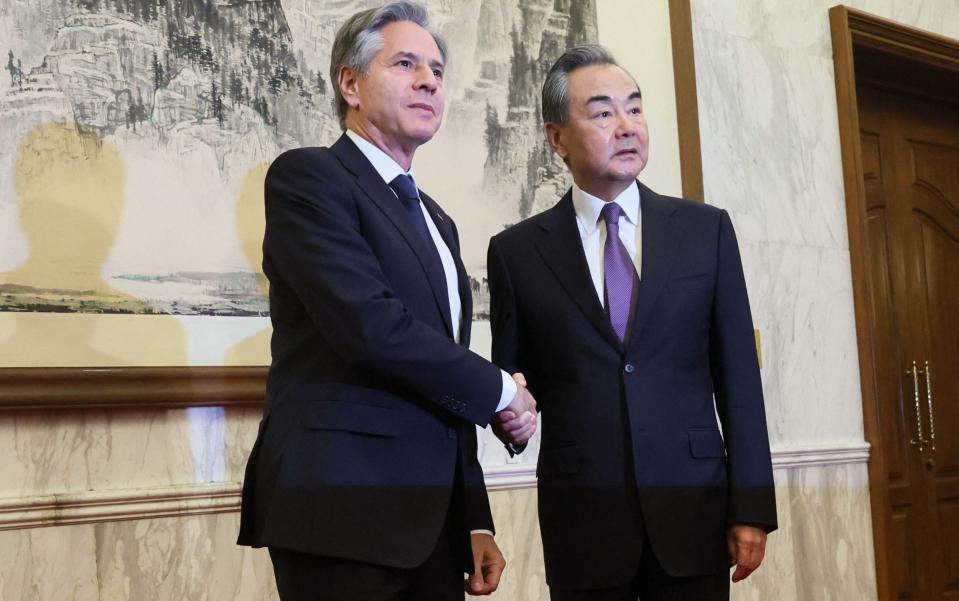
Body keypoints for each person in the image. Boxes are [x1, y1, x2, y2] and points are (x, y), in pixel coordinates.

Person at [237, 3, 536, 599]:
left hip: (432, 527)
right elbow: (372, 326)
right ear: (350, 82)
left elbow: (441, 377)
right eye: (406, 64)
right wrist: (504, 391)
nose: (429, 80)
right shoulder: (309, 178)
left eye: (437, 71)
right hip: (339, 513)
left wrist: (472, 516)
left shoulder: (439, 222)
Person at [487, 45, 777, 601]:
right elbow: (516, 382)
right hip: (584, 523)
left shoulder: (705, 231)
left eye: (635, 109)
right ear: (556, 138)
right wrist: (511, 418)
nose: (626, 127)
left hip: (693, 511)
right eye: (602, 113)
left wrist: (752, 506)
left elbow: (738, 377)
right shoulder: (518, 253)